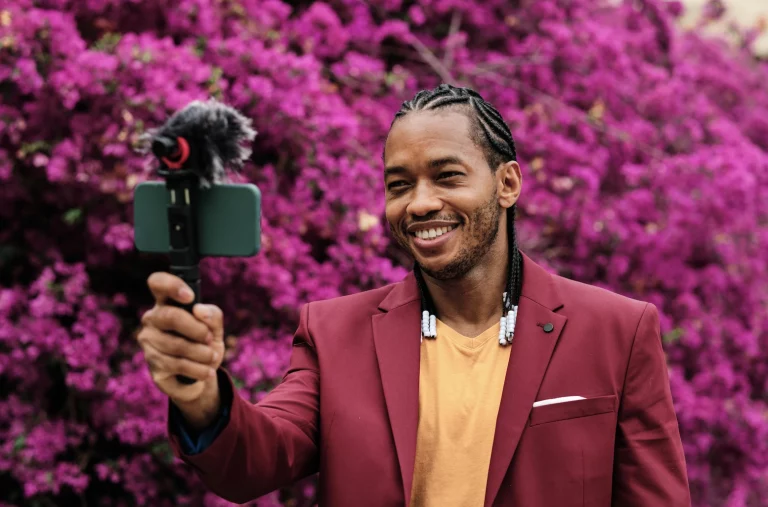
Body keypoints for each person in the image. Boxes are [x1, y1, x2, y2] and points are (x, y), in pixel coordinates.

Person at [137, 84, 691, 506]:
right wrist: (200, 393)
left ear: (507, 184)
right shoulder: (333, 334)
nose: (420, 203)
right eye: (399, 185)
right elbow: (253, 461)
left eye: (447, 176)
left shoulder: (617, 331)